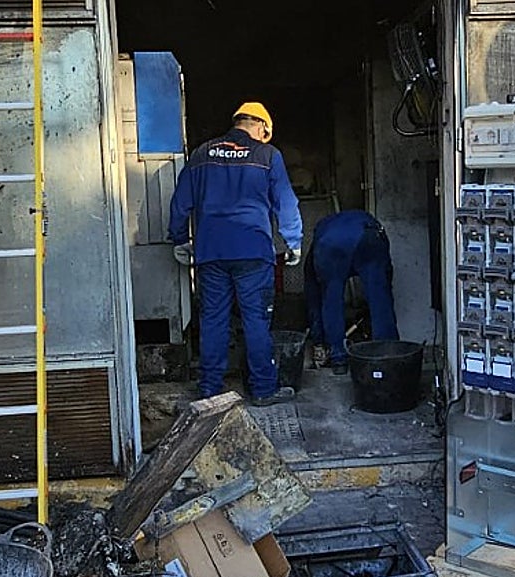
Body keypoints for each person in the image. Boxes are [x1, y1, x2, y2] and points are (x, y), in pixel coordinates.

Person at [169, 102, 303, 406]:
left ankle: (210, 391)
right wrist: (293, 240)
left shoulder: (201, 154)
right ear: (261, 127)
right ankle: (263, 390)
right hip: (253, 250)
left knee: (213, 320)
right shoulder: (268, 155)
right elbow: (285, 201)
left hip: (211, 251)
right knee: (256, 319)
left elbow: (181, 201)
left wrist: (179, 238)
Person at [303, 210, 400, 375]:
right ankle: (387, 355)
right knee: (379, 297)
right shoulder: (360, 223)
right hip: (369, 233)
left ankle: (338, 358)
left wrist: (318, 340)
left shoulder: (316, 250)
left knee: (331, 299)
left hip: (331, 243)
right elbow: (387, 278)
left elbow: (314, 299)